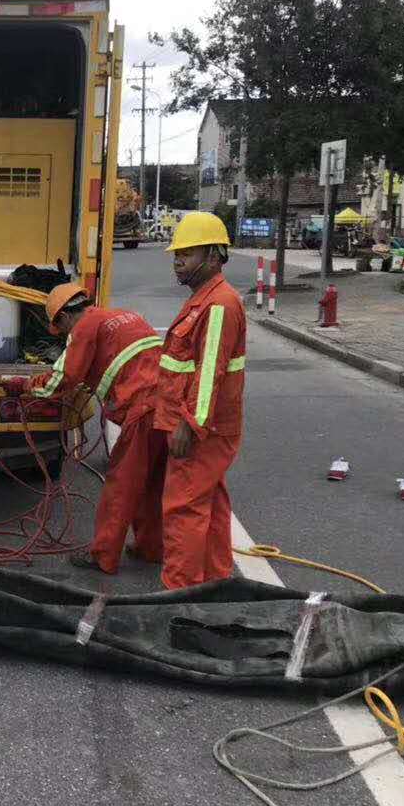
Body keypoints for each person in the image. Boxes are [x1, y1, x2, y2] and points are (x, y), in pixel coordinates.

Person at [26, 284, 166, 574]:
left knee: (121, 485)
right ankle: (151, 547)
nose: (65, 335)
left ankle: (103, 556)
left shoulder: (84, 327)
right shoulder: (125, 316)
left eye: (61, 329)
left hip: (141, 409)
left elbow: (62, 380)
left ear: (65, 316)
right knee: (152, 483)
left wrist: (27, 386)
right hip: (168, 406)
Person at [154, 212, 246, 589]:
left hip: (202, 429)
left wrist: (188, 425)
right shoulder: (204, 300)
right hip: (206, 425)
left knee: (183, 510)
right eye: (177, 253)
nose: (178, 260)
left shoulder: (218, 304)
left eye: (187, 253)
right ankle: (215, 582)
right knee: (211, 503)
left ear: (213, 255)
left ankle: (178, 596)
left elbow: (210, 372)